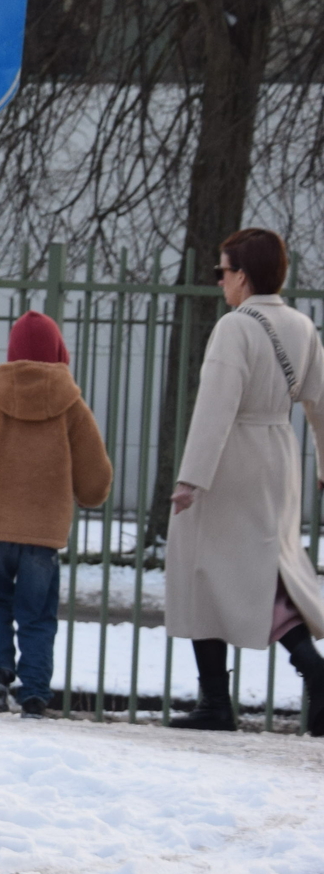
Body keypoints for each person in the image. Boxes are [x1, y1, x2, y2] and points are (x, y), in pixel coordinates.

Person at [167, 227, 324, 733]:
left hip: (229, 462)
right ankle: (311, 672)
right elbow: (320, 404)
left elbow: (216, 406)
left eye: (223, 271)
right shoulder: (302, 326)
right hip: (278, 456)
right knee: (263, 571)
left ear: (244, 275)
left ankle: (216, 700)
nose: (219, 281)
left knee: (202, 572)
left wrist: (192, 478)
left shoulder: (235, 327)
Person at [0, 310, 113, 717]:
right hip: (43, 531)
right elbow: (96, 468)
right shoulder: (70, 404)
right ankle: (34, 692)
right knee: (37, 613)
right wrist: (91, 495)